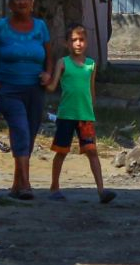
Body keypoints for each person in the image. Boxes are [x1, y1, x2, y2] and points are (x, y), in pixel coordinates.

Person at [0, 0, 55, 200]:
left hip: (35, 90)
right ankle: (26, 185)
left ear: (32, 3)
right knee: (19, 129)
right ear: (10, 4)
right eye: (16, 0)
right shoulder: (1, 27)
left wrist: (48, 74)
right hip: (9, 89)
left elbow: (49, 57)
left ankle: (15, 185)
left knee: (29, 133)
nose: (21, 2)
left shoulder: (40, 27)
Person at [46, 26, 113, 204]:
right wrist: (44, 80)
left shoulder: (91, 64)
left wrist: (91, 111)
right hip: (66, 115)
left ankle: (101, 191)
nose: (78, 43)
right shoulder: (63, 63)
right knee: (61, 152)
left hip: (85, 117)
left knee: (92, 151)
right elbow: (52, 87)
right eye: (74, 40)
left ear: (86, 42)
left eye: (82, 40)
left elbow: (91, 91)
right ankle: (54, 186)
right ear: (67, 43)